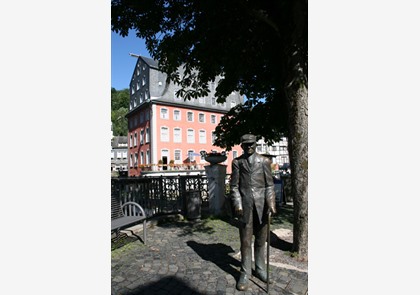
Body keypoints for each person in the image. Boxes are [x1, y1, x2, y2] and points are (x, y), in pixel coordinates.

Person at [230, 134, 277, 291]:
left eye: (251, 144)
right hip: (245, 207)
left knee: (260, 240)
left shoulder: (264, 161)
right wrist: (238, 205)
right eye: (245, 144)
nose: (249, 147)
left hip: (262, 207)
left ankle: (260, 268)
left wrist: (271, 204)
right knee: (245, 241)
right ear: (242, 146)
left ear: (256, 144)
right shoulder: (237, 162)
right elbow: (234, 186)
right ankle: (245, 272)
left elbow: (270, 185)